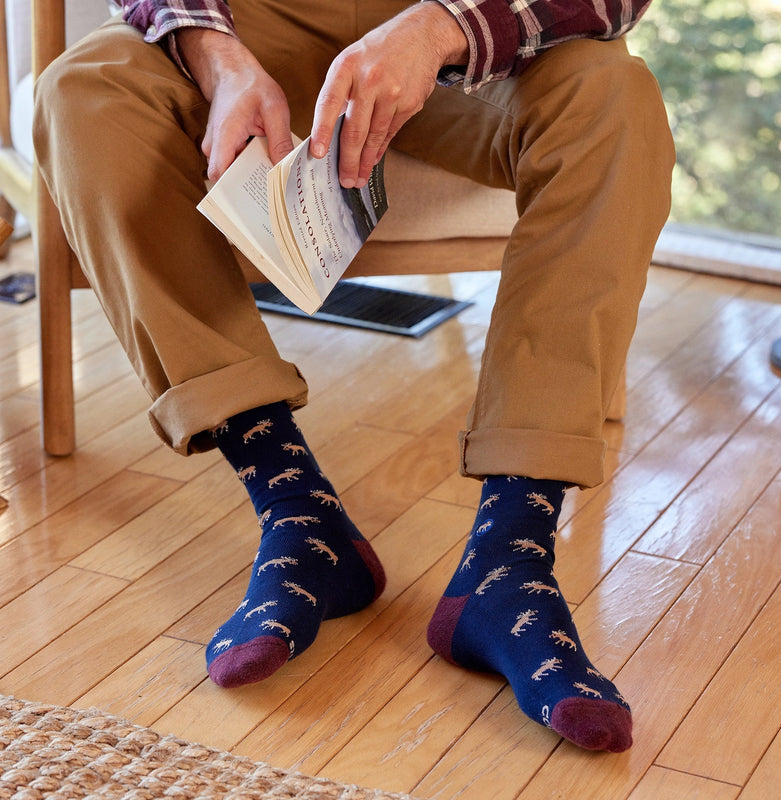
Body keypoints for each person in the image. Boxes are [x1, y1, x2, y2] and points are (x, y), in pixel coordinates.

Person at [33, 0, 675, 753]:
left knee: (616, 100)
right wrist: (218, 55)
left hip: (468, 47)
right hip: (255, 23)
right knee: (82, 89)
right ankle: (297, 513)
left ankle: (510, 560)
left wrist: (437, 28)